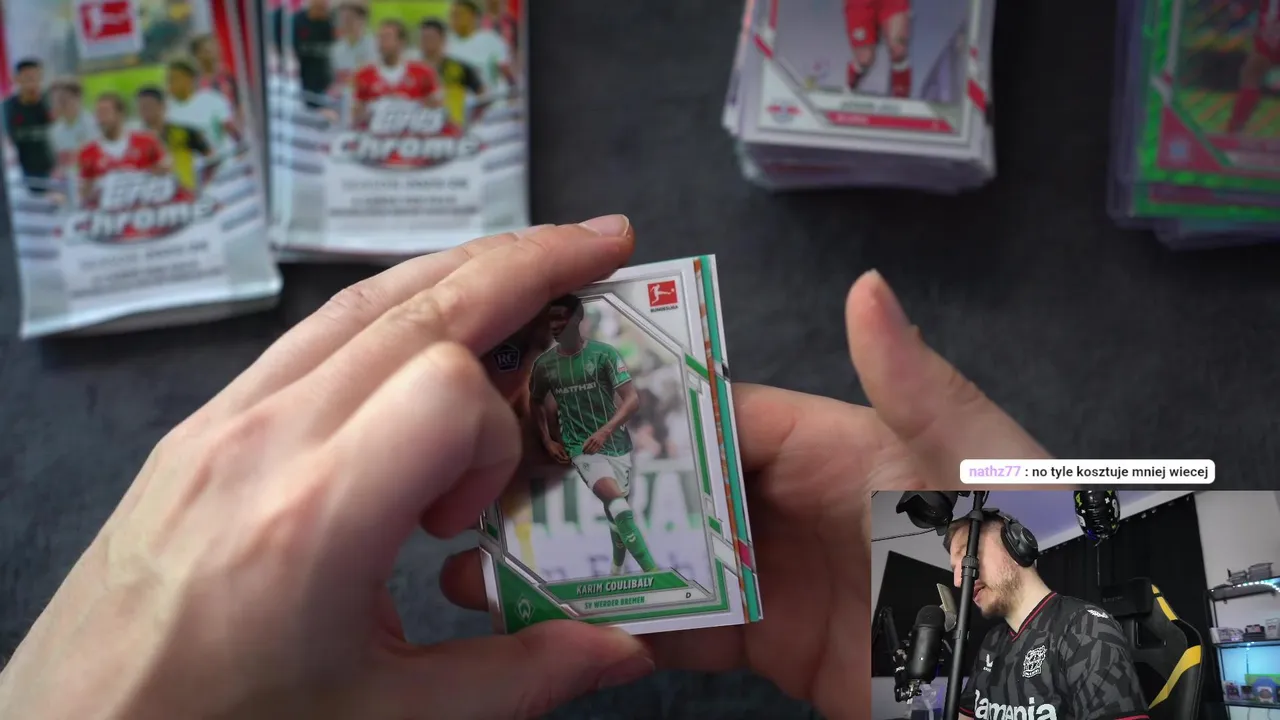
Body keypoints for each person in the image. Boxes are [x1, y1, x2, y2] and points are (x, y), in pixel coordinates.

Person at [0, 217, 1054, 720]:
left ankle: (639, 544)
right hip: (568, 455)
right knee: (605, 509)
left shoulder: (595, 357)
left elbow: (625, 392)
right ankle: (638, 546)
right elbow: (544, 405)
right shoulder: (545, 375)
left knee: (622, 498)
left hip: (607, 444)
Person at [945, 514, 1149, 720]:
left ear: (1015, 548)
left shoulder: (1086, 627)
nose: (958, 581)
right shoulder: (992, 641)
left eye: (967, 556)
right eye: (954, 569)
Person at [530, 295, 652, 576]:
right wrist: (548, 439)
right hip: (581, 447)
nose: (555, 325)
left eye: (561, 318)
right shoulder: (545, 365)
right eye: (551, 320)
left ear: (578, 319)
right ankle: (653, 572)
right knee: (618, 506)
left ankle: (617, 568)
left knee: (617, 511)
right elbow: (535, 401)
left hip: (616, 442)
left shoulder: (604, 354)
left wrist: (605, 431)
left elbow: (632, 399)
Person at [77, 93, 168, 206]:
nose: (101, 118)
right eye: (98, 113)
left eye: (106, 112)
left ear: (120, 114)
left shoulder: (147, 141)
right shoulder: (88, 152)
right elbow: (84, 192)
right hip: (109, 211)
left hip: (144, 207)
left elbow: (165, 172)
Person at [352, 20, 442, 129]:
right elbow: (355, 113)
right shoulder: (364, 75)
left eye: (387, 37)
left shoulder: (422, 73)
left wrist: (409, 108)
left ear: (401, 42)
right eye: (380, 38)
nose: (382, 42)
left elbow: (436, 107)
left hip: (412, 133)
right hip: (375, 134)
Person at [136, 86, 214, 192]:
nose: (145, 111)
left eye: (148, 106)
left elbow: (211, 158)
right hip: (152, 194)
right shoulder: (135, 141)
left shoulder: (185, 132)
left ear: (162, 106)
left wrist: (205, 184)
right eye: (141, 107)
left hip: (186, 192)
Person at [3, 58, 55, 195]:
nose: (33, 82)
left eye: (36, 77)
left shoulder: (51, 103)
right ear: (17, 79)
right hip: (24, 174)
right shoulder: (8, 108)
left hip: (55, 171)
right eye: (28, 78)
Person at [419, 18, 486, 127]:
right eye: (423, 38)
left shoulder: (459, 68)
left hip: (454, 129)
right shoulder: (412, 70)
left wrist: (474, 119)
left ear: (443, 39)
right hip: (422, 129)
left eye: (430, 37)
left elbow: (483, 95)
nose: (426, 42)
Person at [1228, 0, 1280, 134]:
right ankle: (1235, 129)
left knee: (1251, 74)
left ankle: (1235, 129)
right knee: (1252, 72)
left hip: (1271, 30)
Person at [165, 59, 237, 155]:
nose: (170, 83)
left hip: (222, 159)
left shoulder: (212, 99)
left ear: (190, 78)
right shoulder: (166, 112)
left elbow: (230, 129)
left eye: (175, 78)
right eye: (169, 80)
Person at [844, 0, 912, 98]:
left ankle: (902, 100)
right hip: (860, 3)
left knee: (898, 49)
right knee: (864, 58)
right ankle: (849, 89)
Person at [447, 0, 513, 94]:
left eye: (460, 14)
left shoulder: (491, 39)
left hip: (487, 98)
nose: (455, 19)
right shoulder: (445, 44)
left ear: (473, 16)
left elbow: (506, 72)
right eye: (452, 15)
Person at [293, 0, 335, 111]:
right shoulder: (299, 20)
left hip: (327, 79)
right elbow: (295, 48)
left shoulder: (331, 21)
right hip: (305, 76)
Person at [191, 34, 240, 111]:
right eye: (207, 51)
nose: (213, 54)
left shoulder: (228, 75)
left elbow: (240, 102)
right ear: (198, 55)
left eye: (215, 49)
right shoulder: (195, 83)